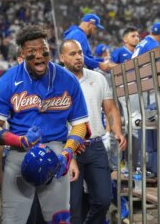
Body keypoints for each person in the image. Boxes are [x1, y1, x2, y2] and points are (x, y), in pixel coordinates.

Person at [0, 25, 90, 223]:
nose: (39, 56)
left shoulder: (67, 80)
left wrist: (68, 153)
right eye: (31, 53)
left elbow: (80, 125)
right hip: (19, 153)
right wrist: (20, 140)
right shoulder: (8, 81)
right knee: (12, 220)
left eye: (44, 51)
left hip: (56, 152)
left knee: (59, 219)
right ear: (22, 54)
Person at [59, 39, 127, 224]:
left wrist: (118, 131)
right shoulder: (57, 82)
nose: (78, 57)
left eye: (80, 52)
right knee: (72, 205)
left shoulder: (97, 78)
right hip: (69, 148)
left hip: (95, 146)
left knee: (104, 199)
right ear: (62, 57)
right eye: (72, 54)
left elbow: (110, 109)